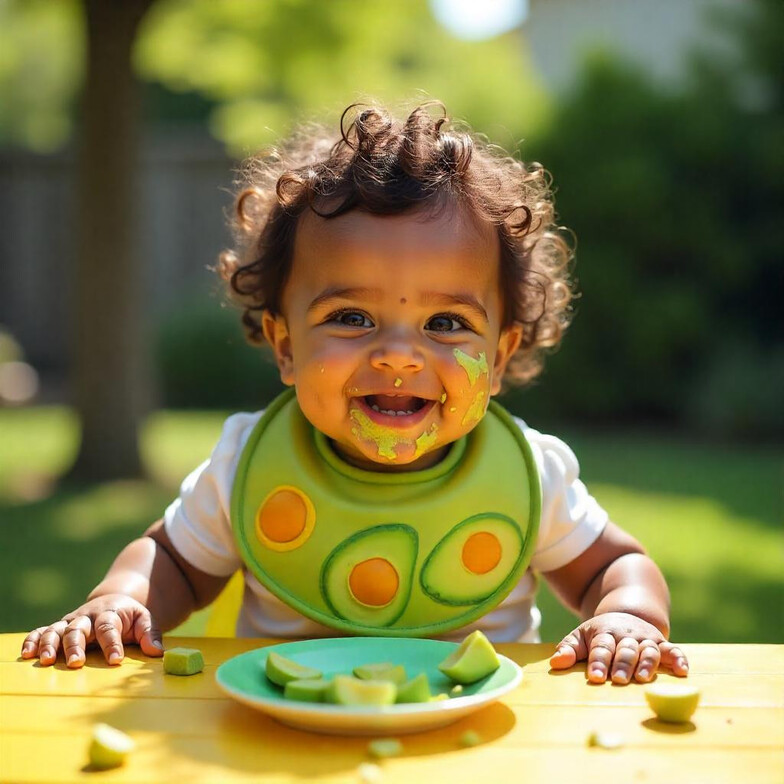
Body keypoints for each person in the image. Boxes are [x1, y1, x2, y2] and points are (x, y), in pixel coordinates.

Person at [21, 101, 689, 685]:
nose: (399, 354)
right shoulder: (248, 461)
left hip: (479, 748)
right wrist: (122, 597)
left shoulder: (529, 477)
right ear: (285, 346)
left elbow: (615, 565)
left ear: (500, 353)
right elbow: (171, 561)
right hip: (282, 745)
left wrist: (627, 616)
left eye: (447, 323)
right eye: (351, 318)